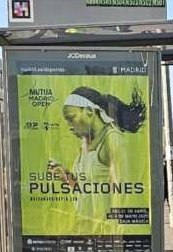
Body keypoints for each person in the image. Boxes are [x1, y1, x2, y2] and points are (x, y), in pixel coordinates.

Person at [48, 87, 146, 222]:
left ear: (89, 111)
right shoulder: (85, 143)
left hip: (105, 230)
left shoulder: (112, 140)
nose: (69, 126)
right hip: (87, 227)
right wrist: (65, 176)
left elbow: (124, 192)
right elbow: (86, 187)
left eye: (71, 118)